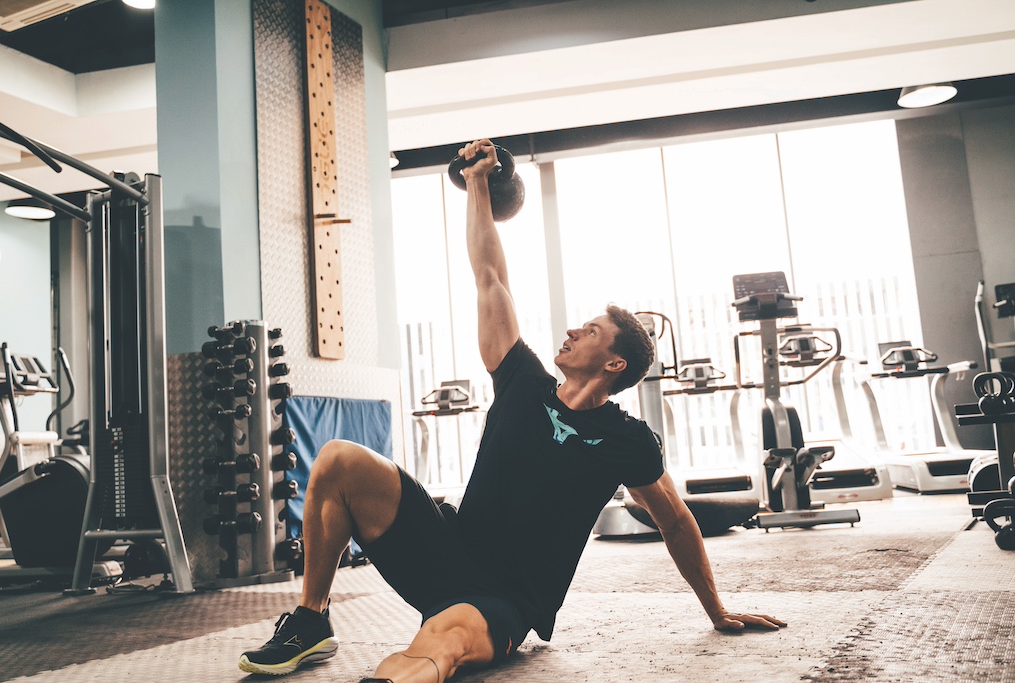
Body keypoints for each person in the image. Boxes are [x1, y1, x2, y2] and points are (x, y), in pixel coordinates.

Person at [238, 139, 786, 682]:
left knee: (443, 642)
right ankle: (311, 619)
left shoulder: (629, 439)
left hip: (503, 600)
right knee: (337, 459)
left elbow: (675, 520)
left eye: (591, 331)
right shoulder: (523, 379)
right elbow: (490, 277)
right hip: (444, 547)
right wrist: (477, 180)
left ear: (614, 364)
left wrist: (716, 610)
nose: (573, 330)